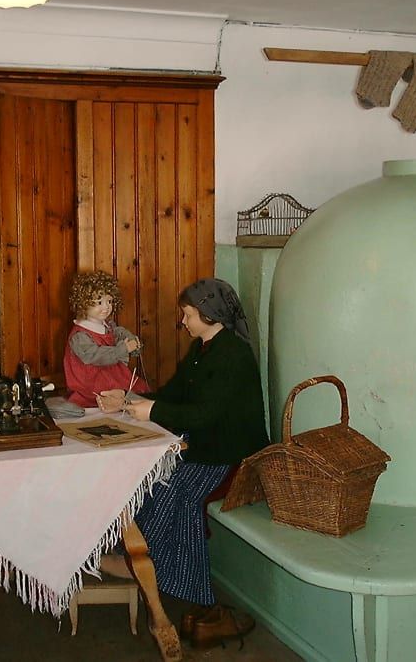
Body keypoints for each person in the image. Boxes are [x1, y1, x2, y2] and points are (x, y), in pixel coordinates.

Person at [98, 278, 268, 649]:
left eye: (188, 314)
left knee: (178, 491)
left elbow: (205, 414)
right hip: (205, 444)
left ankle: (173, 582)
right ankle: (143, 562)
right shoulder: (202, 348)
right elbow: (173, 395)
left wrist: (151, 411)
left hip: (233, 454)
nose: (183, 321)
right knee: (153, 480)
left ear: (210, 314)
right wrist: (127, 399)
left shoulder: (232, 355)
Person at [63, 270, 148, 408]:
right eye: (99, 302)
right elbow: (96, 356)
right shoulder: (79, 336)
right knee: (117, 394)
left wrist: (131, 340)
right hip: (91, 384)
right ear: (83, 303)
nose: (106, 307)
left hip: (112, 377)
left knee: (139, 390)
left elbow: (118, 333)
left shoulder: (107, 326)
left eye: (109, 301)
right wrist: (123, 349)